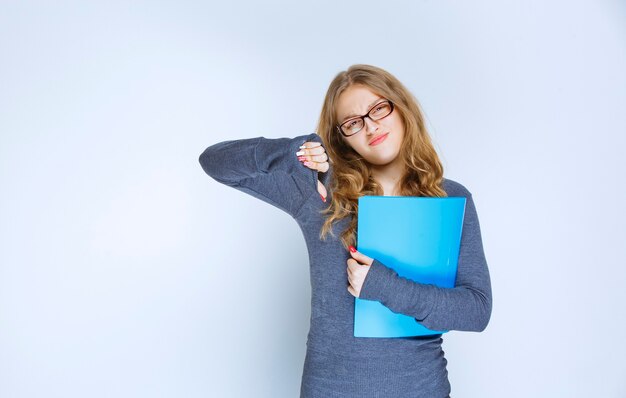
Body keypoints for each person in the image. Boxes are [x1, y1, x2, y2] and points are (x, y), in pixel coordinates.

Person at [198, 64, 492, 397]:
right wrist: (289, 151)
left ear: (401, 107)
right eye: (353, 123)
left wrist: (386, 286)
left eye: (379, 108)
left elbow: (476, 310)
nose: (371, 126)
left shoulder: (450, 197)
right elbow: (214, 162)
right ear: (341, 138)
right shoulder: (318, 190)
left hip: (421, 388)